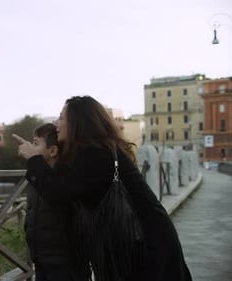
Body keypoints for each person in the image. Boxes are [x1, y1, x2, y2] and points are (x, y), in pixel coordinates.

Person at [13, 96, 192, 281]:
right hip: (134, 239)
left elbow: (57, 192)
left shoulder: (96, 153)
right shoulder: (94, 149)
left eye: (61, 117)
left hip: (144, 242)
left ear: (77, 122)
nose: (56, 123)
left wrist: (34, 159)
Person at [22, 123, 78, 281]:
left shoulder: (62, 179)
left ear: (53, 151)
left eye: (36, 144)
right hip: (39, 255)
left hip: (61, 260)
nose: (32, 148)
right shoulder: (36, 177)